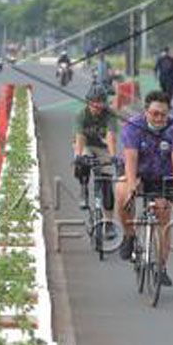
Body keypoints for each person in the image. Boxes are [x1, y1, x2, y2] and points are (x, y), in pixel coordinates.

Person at [116, 91, 173, 286]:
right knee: (122, 193)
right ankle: (129, 235)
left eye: (163, 115)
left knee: (163, 215)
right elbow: (130, 158)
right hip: (138, 172)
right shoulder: (133, 126)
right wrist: (132, 186)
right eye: (154, 113)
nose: (158, 119)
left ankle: (161, 267)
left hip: (163, 177)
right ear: (146, 111)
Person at [73, 85, 119, 238]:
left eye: (100, 102)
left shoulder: (110, 114)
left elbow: (111, 137)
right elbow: (80, 137)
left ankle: (109, 222)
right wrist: (79, 156)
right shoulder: (82, 115)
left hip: (102, 147)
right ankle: (84, 188)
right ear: (88, 102)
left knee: (107, 185)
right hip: (85, 144)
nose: (97, 105)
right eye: (94, 102)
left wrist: (112, 157)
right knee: (82, 161)